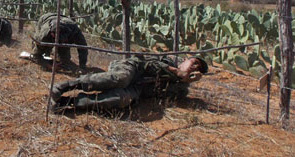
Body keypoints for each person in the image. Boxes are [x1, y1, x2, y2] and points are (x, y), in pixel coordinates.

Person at [51, 55, 208, 112]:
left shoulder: (182, 89)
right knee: (121, 79)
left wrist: (182, 81)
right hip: (132, 69)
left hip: (138, 88)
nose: (194, 67)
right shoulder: (168, 60)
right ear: (186, 59)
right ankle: (65, 86)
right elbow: (149, 64)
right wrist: (176, 72)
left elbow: (165, 95)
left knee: (122, 99)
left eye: (197, 69)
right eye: (194, 62)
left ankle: (68, 103)